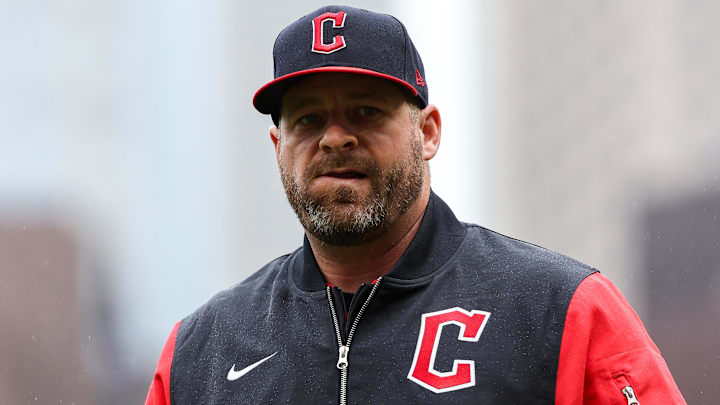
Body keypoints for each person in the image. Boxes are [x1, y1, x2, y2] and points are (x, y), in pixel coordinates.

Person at [146, 5, 685, 404]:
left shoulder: (561, 309)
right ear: (277, 147)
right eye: (308, 119)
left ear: (427, 132)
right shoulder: (202, 350)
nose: (335, 138)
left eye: (365, 111)